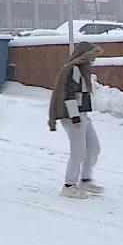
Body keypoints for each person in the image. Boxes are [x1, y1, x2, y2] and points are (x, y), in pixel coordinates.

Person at [48, 41, 105, 199]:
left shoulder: (81, 71)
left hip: (83, 115)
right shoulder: (73, 70)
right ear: (84, 57)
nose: (93, 61)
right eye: (92, 57)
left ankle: (85, 180)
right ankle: (69, 185)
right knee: (78, 151)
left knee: (93, 148)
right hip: (74, 117)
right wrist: (75, 117)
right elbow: (69, 94)